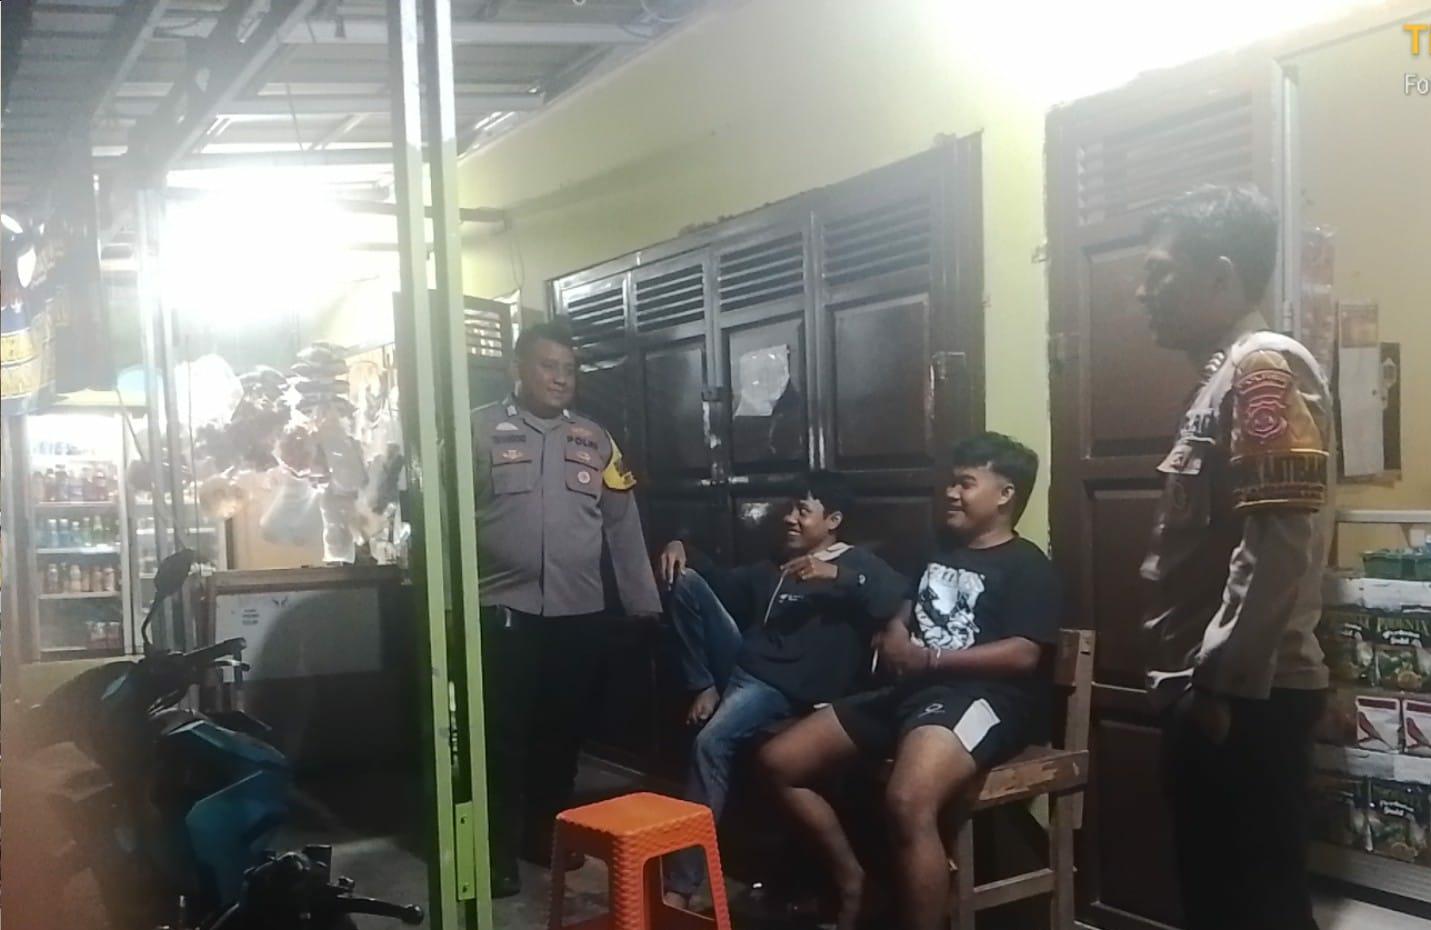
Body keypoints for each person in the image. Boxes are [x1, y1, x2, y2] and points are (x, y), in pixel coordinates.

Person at [759, 432, 1061, 930]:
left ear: (1005, 494)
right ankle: (855, 881)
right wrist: (898, 628)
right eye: (952, 483)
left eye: (966, 483)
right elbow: (909, 600)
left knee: (907, 800)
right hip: (914, 691)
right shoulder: (939, 547)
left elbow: (1024, 653)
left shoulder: (1027, 565)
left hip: (983, 699)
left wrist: (931, 659)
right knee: (780, 762)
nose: (951, 493)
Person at [1137, 185, 1333, 930]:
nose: (1142, 293)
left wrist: (1218, 688)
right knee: (1221, 903)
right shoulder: (1222, 377)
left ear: (1220, 276)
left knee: (1252, 909)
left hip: (1243, 698)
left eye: (1159, 273)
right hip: (1219, 692)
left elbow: (1278, 543)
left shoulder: (1263, 370)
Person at [471, 320, 662, 897]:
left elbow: (623, 525)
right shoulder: (476, 430)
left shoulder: (596, 439)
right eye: (548, 366)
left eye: (569, 369)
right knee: (501, 738)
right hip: (501, 608)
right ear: (517, 369)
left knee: (561, 734)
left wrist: (643, 603)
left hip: (579, 613)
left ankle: (543, 836)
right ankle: (495, 852)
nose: (560, 378)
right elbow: (444, 521)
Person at [655, 472, 907, 910]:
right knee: (688, 580)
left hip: (777, 686)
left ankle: (681, 886)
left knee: (710, 742)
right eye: (790, 509)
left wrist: (836, 575)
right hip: (742, 662)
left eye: (802, 511)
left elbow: (896, 597)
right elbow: (721, 582)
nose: (790, 518)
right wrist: (681, 547)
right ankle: (705, 686)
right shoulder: (775, 565)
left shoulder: (859, 564)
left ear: (833, 520)